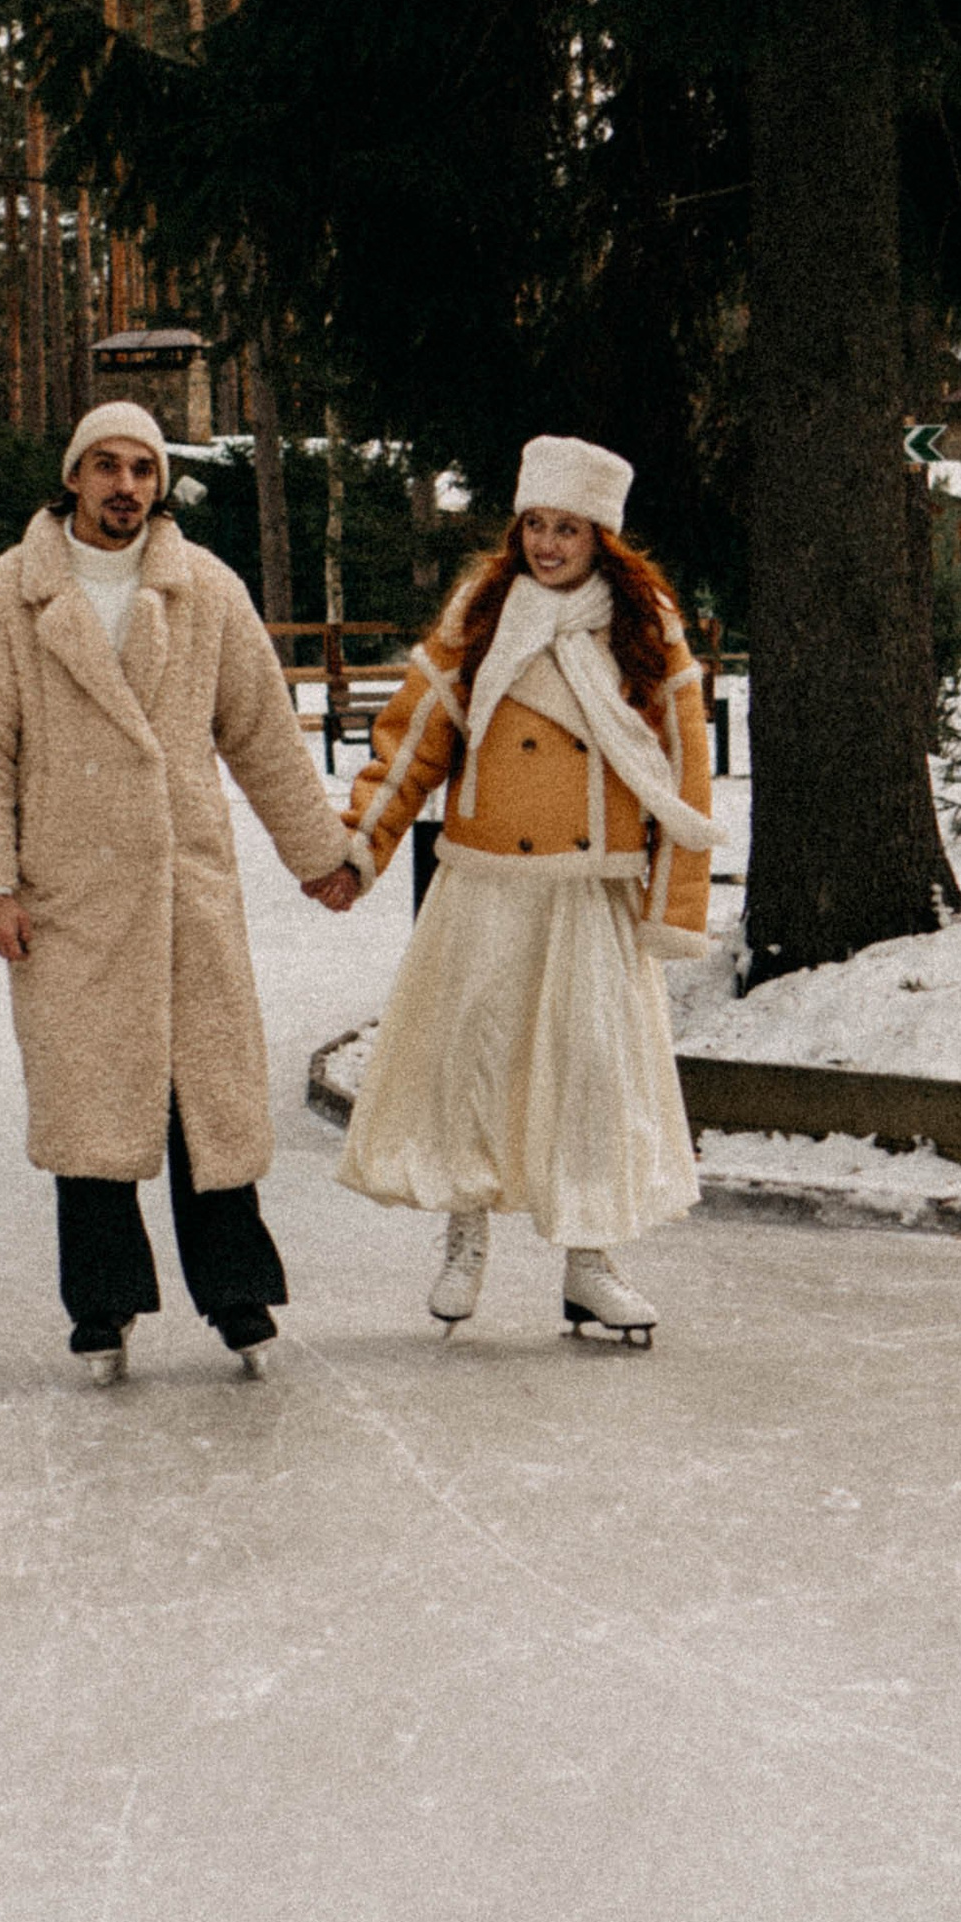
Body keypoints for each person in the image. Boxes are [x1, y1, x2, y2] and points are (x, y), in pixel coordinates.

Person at [0, 402, 360, 1383]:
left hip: (184, 887)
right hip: (69, 897)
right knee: (89, 1103)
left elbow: (261, 731)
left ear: (158, 482)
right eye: (105, 466)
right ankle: (101, 1308)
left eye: (142, 467)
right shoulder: (7, 596)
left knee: (204, 1101)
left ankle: (238, 1296)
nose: (125, 485)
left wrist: (318, 854)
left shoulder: (203, 589)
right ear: (73, 477)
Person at [333, 434, 714, 1344]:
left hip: (592, 889)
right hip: (487, 880)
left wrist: (676, 903)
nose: (548, 545)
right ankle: (464, 1242)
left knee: (592, 1073)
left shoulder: (643, 623)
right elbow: (414, 734)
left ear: (602, 538)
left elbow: (684, 767)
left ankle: (591, 1265)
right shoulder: (483, 610)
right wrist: (360, 845)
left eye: (569, 529)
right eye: (535, 524)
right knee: (473, 1060)